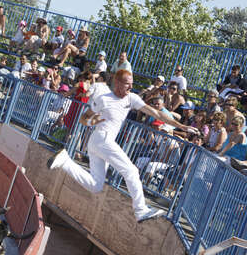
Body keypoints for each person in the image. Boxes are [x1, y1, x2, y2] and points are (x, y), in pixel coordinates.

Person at [47, 69, 199, 222]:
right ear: (117, 83)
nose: (131, 88)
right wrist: (95, 121)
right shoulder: (103, 99)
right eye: (127, 84)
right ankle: (140, 210)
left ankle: (65, 162)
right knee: (131, 171)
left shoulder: (131, 98)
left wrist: (182, 126)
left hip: (101, 142)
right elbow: (84, 119)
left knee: (96, 185)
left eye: (132, 84)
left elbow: (157, 114)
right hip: (101, 139)